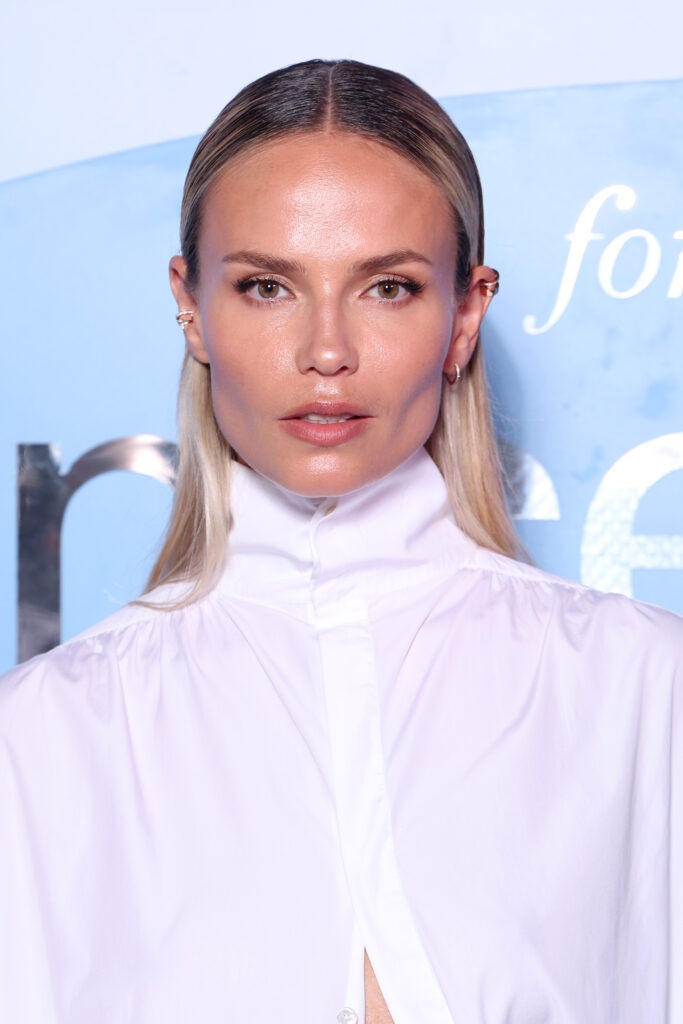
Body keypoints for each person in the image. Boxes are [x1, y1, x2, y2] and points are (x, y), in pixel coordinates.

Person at [0, 58, 681, 1024]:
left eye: (388, 287)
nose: (327, 351)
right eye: (267, 286)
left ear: (465, 314)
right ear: (191, 306)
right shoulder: (40, 741)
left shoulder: (645, 691)